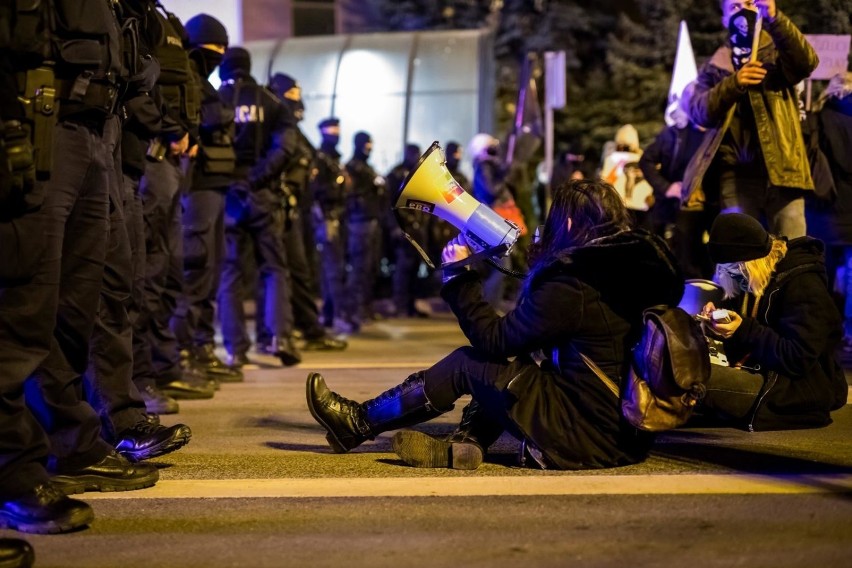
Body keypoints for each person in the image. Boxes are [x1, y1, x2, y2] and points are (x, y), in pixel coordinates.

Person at [306, 179, 683, 470]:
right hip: (622, 436)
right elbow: (529, 339)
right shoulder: (623, 272)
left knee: (471, 362)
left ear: (567, 223)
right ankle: (465, 445)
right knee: (513, 371)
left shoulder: (576, 285)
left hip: (582, 438)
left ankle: (356, 422)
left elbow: (495, 340)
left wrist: (458, 276)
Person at [682, 0, 818, 239]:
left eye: (749, 3)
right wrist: (734, 83)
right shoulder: (716, 64)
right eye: (735, 6)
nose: (743, 11)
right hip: (736, 175)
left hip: (783, 170)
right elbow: (698, 110)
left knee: (793, 251)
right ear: (725, 19)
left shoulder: (777, 50)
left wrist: (775, 18)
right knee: (741, 254)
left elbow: (807, 62)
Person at [699, 213, 848, 430]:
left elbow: (798, 357)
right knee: (680, 368)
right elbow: (750, 336)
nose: (733, 278)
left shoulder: (804, 283)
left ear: (750, 263)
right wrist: (718, 327)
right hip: (758, 371)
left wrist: (743, 330)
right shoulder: (755, 281)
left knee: (691, 379)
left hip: (792, 389)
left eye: (734, 271)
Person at [217, 47, 300, 368]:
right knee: (275, 269)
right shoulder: (271, 102)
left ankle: (235, 349)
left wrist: (235, 179)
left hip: (228, 195)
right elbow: (287, 147)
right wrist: (259, 176)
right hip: (264, 194)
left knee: (230, 273)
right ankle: (281, 336)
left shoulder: (217, 99)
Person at [175, 14, 244, 386]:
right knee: (194, 269)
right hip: (197, 188)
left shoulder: (202, 81)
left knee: (209, 271)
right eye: (216, 47)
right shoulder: (186, 77)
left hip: (214, 188)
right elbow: (210, 117)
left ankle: (201, 347)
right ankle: (184, 351)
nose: (219, 54)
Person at [639, 83, 714, 279]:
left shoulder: (717, 132)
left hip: (714, 204)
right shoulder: (674, 135)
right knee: (686, 257)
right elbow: (646, 160)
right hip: (682, 207)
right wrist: (666, 188)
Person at [310, 118, 351, 329]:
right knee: (332, 270)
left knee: (334, 269)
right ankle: (336, 314)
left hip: (338, 217)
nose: (336, 134)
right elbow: (316, 192)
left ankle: (330, 313)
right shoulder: (321, 159)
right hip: (328, 219)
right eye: (332, 131)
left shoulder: (334, 159)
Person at [344, 131, 387, 330]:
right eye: (366, 143)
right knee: (359, 269)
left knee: (369, 269)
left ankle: (365, 307)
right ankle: (354, 310)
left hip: (370, 222)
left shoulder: (366, 168)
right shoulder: (353, 167)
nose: (369, 147)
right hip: (359, 223)